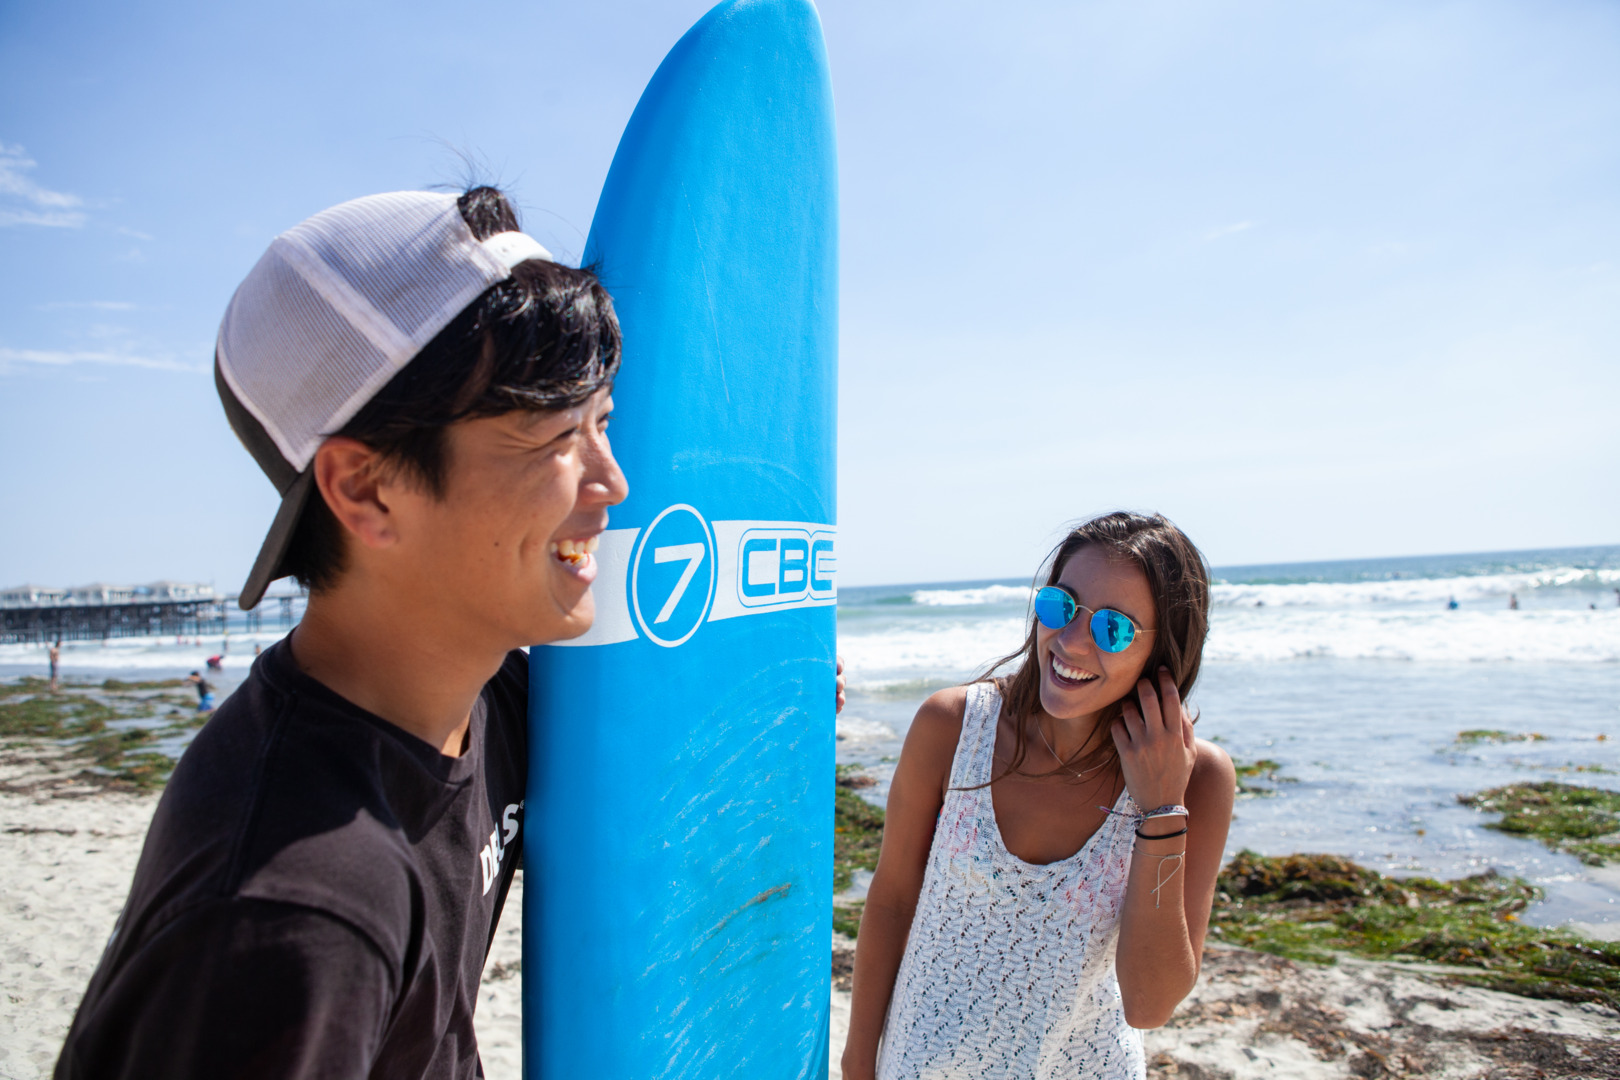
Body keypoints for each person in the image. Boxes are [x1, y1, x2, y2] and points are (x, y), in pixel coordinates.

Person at [53, 187, 628, 1080]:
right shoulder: (296, 913)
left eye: (602, 422)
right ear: (366, 490)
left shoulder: (493, 708)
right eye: (555, 435)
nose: (611, 481)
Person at [842, 512, 1235, 1080]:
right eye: (1060, 606)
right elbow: (892, 901)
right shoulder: (952, 728)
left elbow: (1149, 1005)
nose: (1070, 641)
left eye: (1113, 629)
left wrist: (1160, 810)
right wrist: (858, 1061)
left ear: (1164, 651)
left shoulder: (1199, 780)